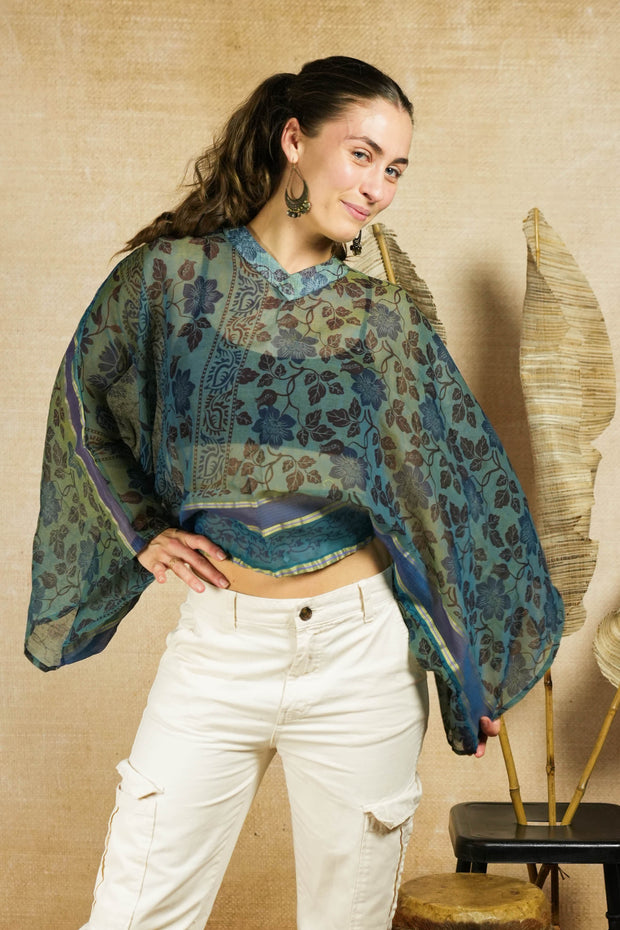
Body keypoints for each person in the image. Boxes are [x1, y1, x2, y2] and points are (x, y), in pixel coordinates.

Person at [26, 56, 563, 930]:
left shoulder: (384, 319)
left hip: (364, 655)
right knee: (134, 914)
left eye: (396, 169)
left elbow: (444, 496)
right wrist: (144, 530)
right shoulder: (168, 280)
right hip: (220, 644)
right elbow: (84, 409)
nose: (378, 187)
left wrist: (467, 662)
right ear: (292, 139)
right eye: (362, 154)